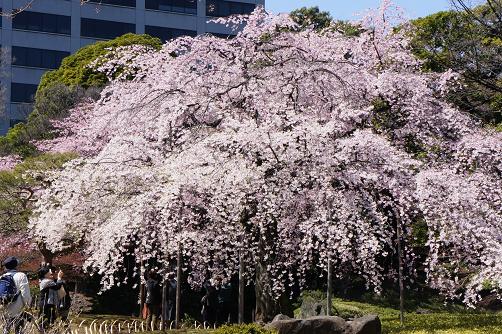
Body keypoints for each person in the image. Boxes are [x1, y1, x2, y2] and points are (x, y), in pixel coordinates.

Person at [0, 256, 32, 334]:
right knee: (18, 331)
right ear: (16, 265)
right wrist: (28, 308)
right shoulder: (21, 275)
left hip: (4, 310)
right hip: (18, 311)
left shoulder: (1, 277)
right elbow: (25, 294)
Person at [38, 266, 65, 331]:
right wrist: (59, 277)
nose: (51, 272)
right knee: (46, 322)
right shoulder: (46, 281)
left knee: (48, 321)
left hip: (47, 304)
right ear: (45, 274)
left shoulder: (45, 281)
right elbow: (57, 286)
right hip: (46, 304)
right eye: (49, 271)